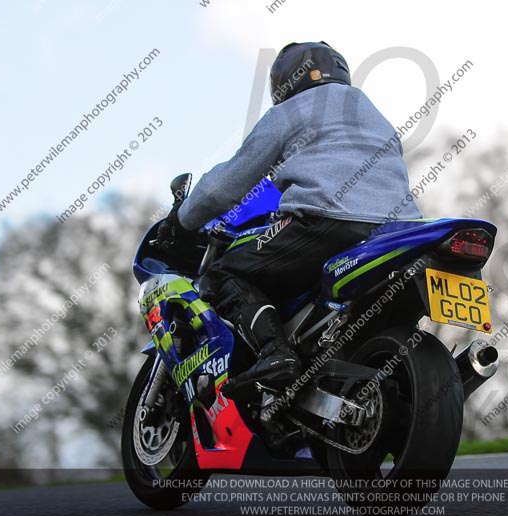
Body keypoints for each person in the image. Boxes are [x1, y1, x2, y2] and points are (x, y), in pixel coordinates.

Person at [164, 41, 422, 396]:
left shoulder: (290, 111)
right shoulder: (372, 112)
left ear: (286, 79)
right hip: (401, 230)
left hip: (326, 220)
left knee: (222, 273)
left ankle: (275, 353)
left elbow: (224, 187)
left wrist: (181, 219)